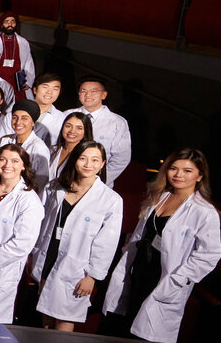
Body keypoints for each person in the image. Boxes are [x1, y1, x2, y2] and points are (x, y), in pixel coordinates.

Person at [102, 148, 221, 343]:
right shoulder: (159, 196)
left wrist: (178, 279)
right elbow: (140, 235)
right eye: (174, 168)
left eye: (187, 171)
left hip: (165, 277)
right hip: (140, 269)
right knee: (124, 327)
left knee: (146, 333)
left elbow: (210, 255)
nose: (178, 174)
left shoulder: (204, 212)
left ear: (200, 176)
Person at [30, 140, 123, 331]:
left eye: (95, 160)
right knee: (46, 316)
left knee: (64, 318)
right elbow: (41, 222)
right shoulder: (55, 186)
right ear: (74, 160)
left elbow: (107, 243)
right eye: (83, 158)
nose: (88, 165)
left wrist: (93, 276)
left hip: (77, 267)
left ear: (103, 164)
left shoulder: (110, 200)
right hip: (48, 257)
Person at [0, 144, 45, 324]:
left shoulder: (28, 200)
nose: (7, 165)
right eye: (2, 159)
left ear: (23, 166)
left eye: (14, 161)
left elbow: (22, 244)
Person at [64, 76, 132, 186]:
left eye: (94, 91)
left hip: (98, 183)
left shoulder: (117, 122)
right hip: (65, 178)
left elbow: (121, 158)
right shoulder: (66, 115)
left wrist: (96, 181)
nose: (88, 94)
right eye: (83, 91)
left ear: (104, 95)